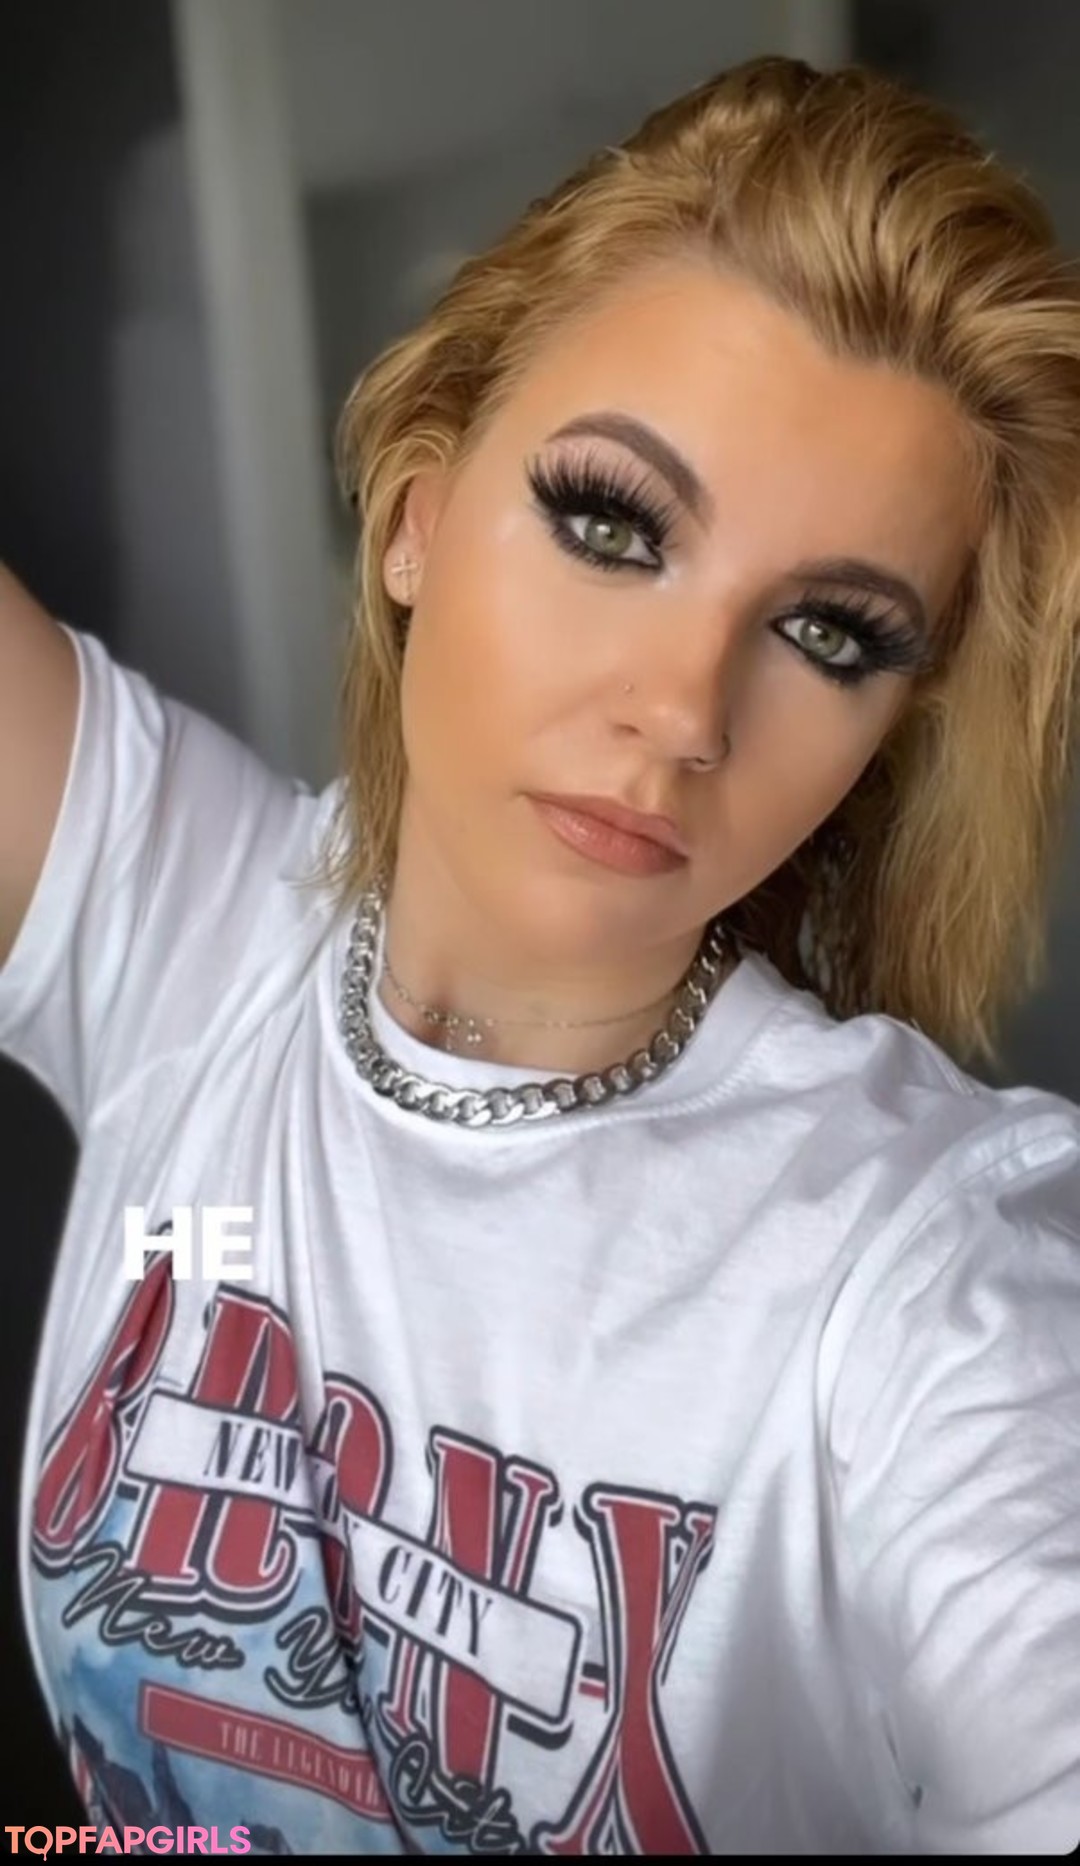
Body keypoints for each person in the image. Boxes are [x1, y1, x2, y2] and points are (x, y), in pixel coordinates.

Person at [2, 50, 1079, 1857]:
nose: (683, 712)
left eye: (828, 633)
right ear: (415, 515)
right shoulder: (187, 925)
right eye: (610, 525)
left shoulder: (921, 1275)